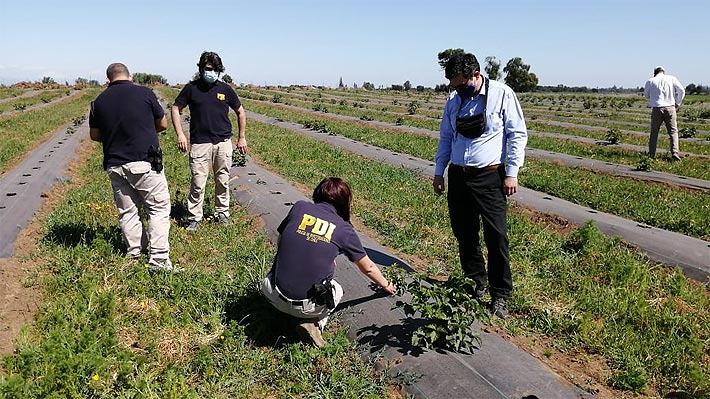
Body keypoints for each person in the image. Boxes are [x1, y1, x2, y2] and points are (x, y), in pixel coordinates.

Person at [433, 52, 528, 319]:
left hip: (489, 177)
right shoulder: (454, 101)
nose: (457, 89)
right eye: (453, 85)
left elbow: (517, 134)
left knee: (496, 237)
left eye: (461, 84)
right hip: (460, 177)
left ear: (476, 75)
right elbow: (446, 137)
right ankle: (476, 281)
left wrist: (512, 173)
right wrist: (440, 172)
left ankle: (500, 294)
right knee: (464, 234)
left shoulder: (502, 94)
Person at [261, 177, 397, 347]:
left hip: (271, 292)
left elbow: (281, 241)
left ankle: (280, 313)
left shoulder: (299, 207)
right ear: (344, 202)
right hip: (306, 307)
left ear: (317, 193)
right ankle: (316, 324)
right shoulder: (343, 229)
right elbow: (368, 267)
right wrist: (386, 285)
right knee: (337, 289)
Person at [89, 63, 178, 272]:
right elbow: (163, 125)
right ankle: (159, 260)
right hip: (144, 162)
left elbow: (94, 135)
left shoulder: (99, 101)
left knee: (127, 212)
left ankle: (135, 253)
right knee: (157, 209)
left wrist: (114, 137)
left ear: (108, 80)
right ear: (130, 76)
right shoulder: (144, 93)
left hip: (115, 165)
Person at [171, 51, 247, 231]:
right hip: (200, 144)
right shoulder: (191, 88)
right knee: (198, 182)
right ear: (201, 68)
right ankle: (194, 217)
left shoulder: (225, 89)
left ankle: (222, 213)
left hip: (222, 143)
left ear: (219, 70)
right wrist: (180, 134)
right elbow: (175, 108)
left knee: (223, 180)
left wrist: (241, 137)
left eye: (214, 69)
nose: (210, 72)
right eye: (207, 69)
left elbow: (240, 112)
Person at [643, 66, 685, 161]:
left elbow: (646, 95)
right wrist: (677, 103)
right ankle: (675, 152)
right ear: (663, 72)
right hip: (670, 107)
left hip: (657, 108)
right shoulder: (671, 78)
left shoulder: (650, 81)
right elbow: (681, 90)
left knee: (654, 132)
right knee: (673, 131)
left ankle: (651, 154)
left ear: (655, 73)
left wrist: (654, 97)